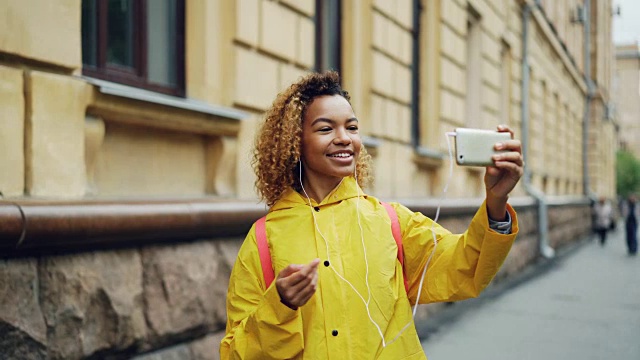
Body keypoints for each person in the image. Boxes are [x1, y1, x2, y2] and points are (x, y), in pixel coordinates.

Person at [220, 71, 524, 359]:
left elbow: (464, 267)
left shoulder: (390, 222)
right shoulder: (264, 239)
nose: (344, 138)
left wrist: (496, 201)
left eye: (351, 127)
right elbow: (236, 353)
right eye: (326, 128)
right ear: (295, 142)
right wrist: (280, 305)